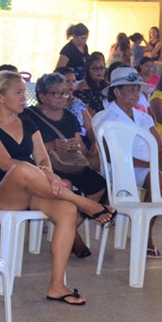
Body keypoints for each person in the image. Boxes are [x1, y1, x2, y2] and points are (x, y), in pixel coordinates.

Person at [0, 71, 115, 305]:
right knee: (21, 169)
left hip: (32, 189)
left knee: (67, 210)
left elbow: (42, 158)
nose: (23, 97)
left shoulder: (27, 122)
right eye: (18, 92)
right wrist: (48, 176)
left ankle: (57, 286)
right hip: (3, 194)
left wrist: (50, 175)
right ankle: (86, 203)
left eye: (23, 92)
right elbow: (7, 165)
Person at [100, 67, 162, 256]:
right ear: (117, 92)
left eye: (138, 89)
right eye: (131, 89)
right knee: (158, 178)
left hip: (152, 168)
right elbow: (116, 155)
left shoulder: (142, 116)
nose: (136, 94)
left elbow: (160, 145)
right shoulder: (110, 119)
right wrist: (156, 168)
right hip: (124, 168)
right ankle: (145, 238)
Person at [25, 72, 107, 258]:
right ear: (42, 95)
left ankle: (67, 228)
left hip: (70, 163)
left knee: (99, 186)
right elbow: (27, 148)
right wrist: (52, 145)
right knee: (65, 186)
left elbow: (82, 147)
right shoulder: (29, 116)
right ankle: (74, 239)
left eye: (65, 93)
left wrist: (74, 145)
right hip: (45, 166)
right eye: (56, 94)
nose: (62, 98)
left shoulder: (69, 116)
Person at [55, 65, 96, 154]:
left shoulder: (77, 103)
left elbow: (89, 128)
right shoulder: (54, 105)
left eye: (73, 81)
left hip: (85, 140)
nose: (71, 85)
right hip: (68, 144)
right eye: (67, 81)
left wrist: (95, 142)